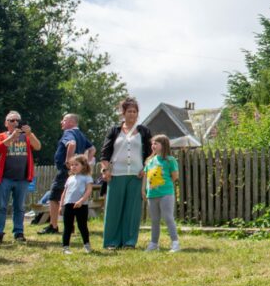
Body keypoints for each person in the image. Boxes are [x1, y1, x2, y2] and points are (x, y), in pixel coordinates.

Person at [100, 97, 152, 249]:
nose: (132, 114)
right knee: (113, 209)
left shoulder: (144, 131)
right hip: (116, 174)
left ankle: (129, 241)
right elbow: (105, 153)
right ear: (123, 113)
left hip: (136, 175)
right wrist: (105, 169)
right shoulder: (114, 131)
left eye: (134, 111)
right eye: (129, 111)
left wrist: (145, 167)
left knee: (132, 210)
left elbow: (151, 152)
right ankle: (111, 241)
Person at [39, 113, 94, 235]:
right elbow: (92, 149)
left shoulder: (69, 133)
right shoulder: (81, 135)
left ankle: (53, 226)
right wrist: (85, 163)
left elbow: (71, 144)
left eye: (64, 120)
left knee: (53, 198)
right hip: (77, 172)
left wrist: (68, 162)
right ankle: (71, 226)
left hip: (65, 171)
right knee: (72, 198)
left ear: (71, 122)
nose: (61, 123)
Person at [0, 111, 41, 243]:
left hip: (22, 178)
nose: (15, 123)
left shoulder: (28, 136)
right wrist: (12, 137)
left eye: (17, 120)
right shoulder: (1, 136)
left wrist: (29, 133)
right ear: (6, 123)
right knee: (1, 206)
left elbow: (38, 146)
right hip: (4, 178)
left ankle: (19, 232)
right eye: (11, 120)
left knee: (20, 207)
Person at [142, 135, 180, 253]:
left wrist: (163, 186)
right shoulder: (149, 161)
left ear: (163, 146)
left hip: (166, 194)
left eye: (156, 144)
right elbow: (145, 176)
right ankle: (154, 244)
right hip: (152, 194)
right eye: (152, 144)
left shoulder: (170, 160)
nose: (153, 146)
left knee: (168, 217)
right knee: (154, 220)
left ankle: (175, 243)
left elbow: (175, 176)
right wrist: (143, 190)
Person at [60, 154, 93, 254]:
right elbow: (64, 192)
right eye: (72, 165)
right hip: (68, 205)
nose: (73, 167)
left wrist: (81, 201)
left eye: (76, 164)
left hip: (81, 205)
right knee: (68, 227)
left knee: (82, 225)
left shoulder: (87, 177)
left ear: (83, 166)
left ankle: (87, 244)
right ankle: (65, 247)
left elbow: (88, 190)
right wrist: (61, 205)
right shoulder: (69, 178)